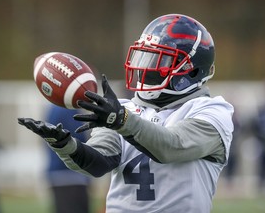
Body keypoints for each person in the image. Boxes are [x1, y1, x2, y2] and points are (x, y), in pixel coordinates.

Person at [18, 14, 234, 213]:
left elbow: (171, 146)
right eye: (145, 57)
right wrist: (66, 146)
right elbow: (98, 162)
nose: (146, 68)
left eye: (160, 60)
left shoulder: (212, 111)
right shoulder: (125, 109)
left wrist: (121, 120)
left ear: (192, 70)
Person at [44, 104, 91, 213]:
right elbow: (78, 140)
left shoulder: (55, 108)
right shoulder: (65, 109)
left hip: (62, 175)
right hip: (69, 176)